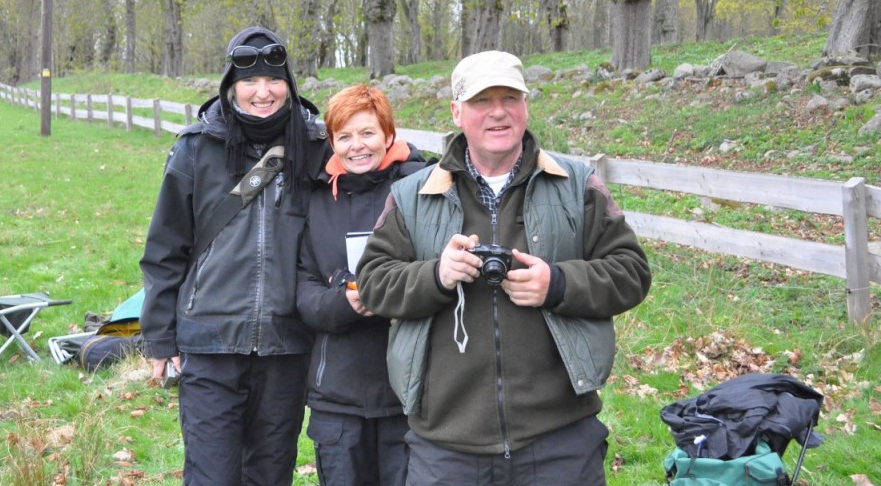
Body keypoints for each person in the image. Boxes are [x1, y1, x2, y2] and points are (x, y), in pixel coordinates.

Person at [356, 50, 652, 485]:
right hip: (446, 444)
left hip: (559, 440)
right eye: (481, 101)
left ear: (526, 106)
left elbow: (631, 272)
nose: (498, 112)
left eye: (510, 98)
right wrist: (436, 276)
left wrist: (558, 283)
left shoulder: (575, 184)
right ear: (457, 112)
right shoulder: (412, 195)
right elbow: (372, 283)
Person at [139, 26, 330, 486]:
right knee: (211, 476)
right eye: (250, 81)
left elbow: (372, 170)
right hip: (209, 341)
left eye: (274, 80)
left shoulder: (317, 146)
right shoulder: (195, 148)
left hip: (287, 344)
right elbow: (166, 247)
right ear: (231, 85)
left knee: (270, 474)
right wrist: (159, 338)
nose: (262, 92)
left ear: (289, 84)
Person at [296, 84, 428, 486]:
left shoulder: (422, 189)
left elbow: (438, 274)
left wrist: (388, 293)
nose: (358, 146)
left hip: (408, 392)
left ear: (389, 135)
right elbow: (303, 287)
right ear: (332, 141)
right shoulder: (316, 198)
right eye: (345, 136)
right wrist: (343, 302)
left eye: (368, 133)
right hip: (338, 394)